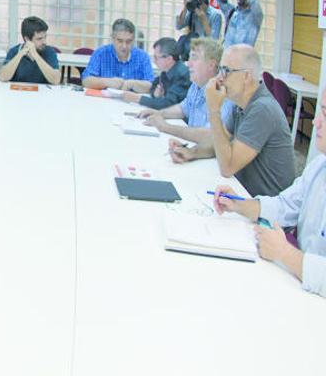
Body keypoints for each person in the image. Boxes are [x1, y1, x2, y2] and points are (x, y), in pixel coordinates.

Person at [211, 89, 326, 297]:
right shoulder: (320, 166)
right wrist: (240, 204)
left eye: (325, 114)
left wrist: (285, 253)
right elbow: (286, 205)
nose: (315, 122)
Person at [169, 45, 294, 197]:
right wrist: (192, 152)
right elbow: (220, 141)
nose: (220, 78)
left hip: (267, 209)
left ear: (247, 76)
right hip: (244, 193)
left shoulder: (262, 109)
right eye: (221, 70)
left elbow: (227, 167)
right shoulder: (240, 103)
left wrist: (214, 110)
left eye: (226, 71)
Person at [138, 37, 234, 143]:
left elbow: (211, 136)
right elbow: (183, 108)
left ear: (211, 65)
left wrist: (165, 127)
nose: (188, 63)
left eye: (194, 58)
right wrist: (158, 113)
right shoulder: (196, 85)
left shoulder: (224, 93)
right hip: (193, 147)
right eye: (189, 58)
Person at [81, 19, 154, 91]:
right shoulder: (100, 53)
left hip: (131, 101)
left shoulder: (142, 57)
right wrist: (107, 82)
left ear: (134, 39)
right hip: (105, 101)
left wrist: (134, 84)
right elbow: (86, 81)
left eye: (129, 41)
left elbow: (151, 85)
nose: (124, 46)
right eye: (120, 41)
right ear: (112, 38)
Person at [121, 38, 190, 109]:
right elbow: (153, 86)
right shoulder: (166, 71)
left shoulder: (183, 75)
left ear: (169, 59)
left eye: (156, 57)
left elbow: (168, 104)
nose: (154, 61)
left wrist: (138, 99)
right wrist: (155, 93)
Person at [0, 16, 60, 85]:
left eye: (45, 37)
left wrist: (35, 55)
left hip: (42, 94)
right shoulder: (14, 51)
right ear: (27, 39)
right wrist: (20, 54)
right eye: (39, 39)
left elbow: (56, 80)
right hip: (18, 94)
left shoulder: (49, 51)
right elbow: (2, 77)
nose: (44, 42)